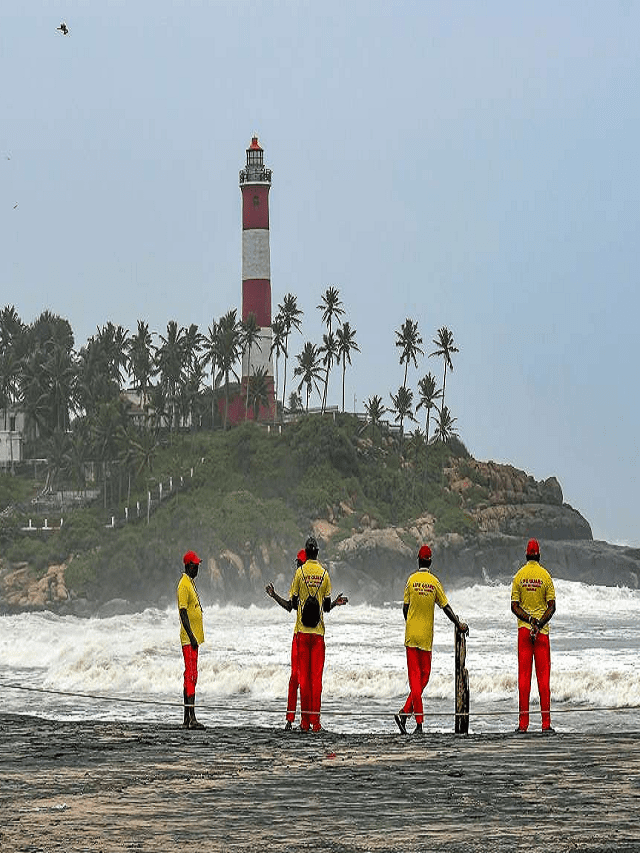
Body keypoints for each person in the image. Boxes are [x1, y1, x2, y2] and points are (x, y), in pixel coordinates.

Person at [267, 548, 349, 731]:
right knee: (304, 680)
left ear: (303, 561)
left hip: (301, 636)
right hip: (313, 635)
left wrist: (274, 596)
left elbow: (291, 605)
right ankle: (297, 720)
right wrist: (334, 603)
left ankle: (304, 721)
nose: (297, 565)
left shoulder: (301, 576)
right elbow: (321, 607)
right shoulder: (320, 575)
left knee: (300, 679)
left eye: (299, 562)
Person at [395, 545, 468, 735]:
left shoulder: (411, 581)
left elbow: (405, 609)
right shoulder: (434, 582)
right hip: (426, 638)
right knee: (424, 678)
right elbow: (446, 607)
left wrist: (411, 623)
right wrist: (458, 623)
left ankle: (405, 714)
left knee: (416, 681)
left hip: (411, 637)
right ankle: (418, 723)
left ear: (418, 560)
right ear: (430, 562)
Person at [511, 538, 556, 733]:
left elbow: (514, 606)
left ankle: (523, 725)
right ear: (538, 555)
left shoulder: (519, 576)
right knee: (544, 679)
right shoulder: (545, 576)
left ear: (526, 555)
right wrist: (539, 623)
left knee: (523, 679)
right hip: (542, 633)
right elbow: (552, 607)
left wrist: (529, 620)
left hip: (524, 632)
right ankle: (546, 725)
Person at [177, 550, 206, 730]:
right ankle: (191, 718)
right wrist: (192, 636)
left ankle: (187, 718)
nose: (197, 568)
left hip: (193, 639)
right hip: (189, 640)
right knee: (191, 676)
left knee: (191, 677)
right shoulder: (183, 585)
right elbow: (183, 613)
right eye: (195, 566)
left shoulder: (190, 583)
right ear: (188, 566)